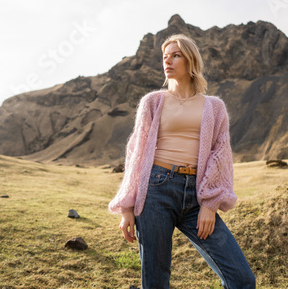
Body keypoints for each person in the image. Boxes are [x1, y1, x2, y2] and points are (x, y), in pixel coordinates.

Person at [108, 34, 256, 289]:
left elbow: (220, 152)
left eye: (176, 55)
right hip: (155, 191)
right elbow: (136, 152)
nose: (168, 60)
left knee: (241, 279)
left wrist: (209, 204)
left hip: (197, 196)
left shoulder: (214, 106)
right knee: (155, 282)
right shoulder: (153, 102)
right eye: (165, 56)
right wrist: (126, 207)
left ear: (191, 61)